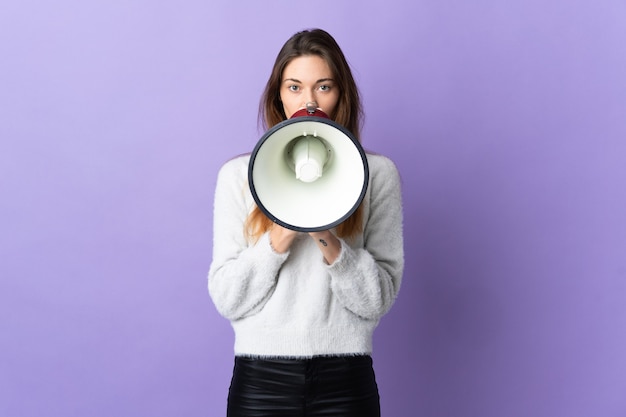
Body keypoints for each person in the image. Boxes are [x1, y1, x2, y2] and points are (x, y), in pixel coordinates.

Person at [208, 28, 404, 417]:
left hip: (345, 379)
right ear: (278, 96)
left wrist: (326, 237)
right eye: (294, 87)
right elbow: (228, 298)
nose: (309, 100)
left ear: (341, 94)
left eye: (324, 86)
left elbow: (378, 300)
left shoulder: (377, 175)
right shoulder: (238, 176)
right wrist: (281, 233)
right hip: (262, 379)